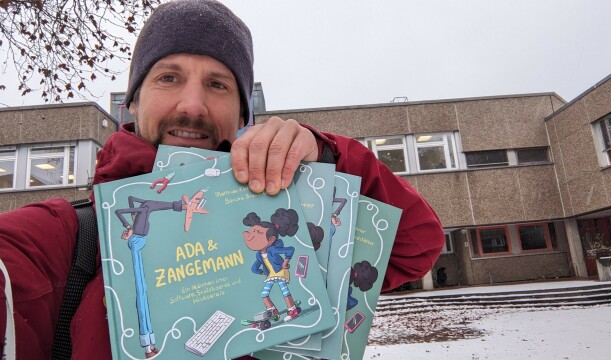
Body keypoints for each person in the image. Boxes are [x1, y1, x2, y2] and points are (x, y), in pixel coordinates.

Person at [0, 0, 444, 358]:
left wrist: (328, 163)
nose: (192, 105)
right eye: (168, 77)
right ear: (131, 105)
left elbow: (415, 245)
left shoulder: (287, 205)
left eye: (217, 85)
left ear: (241, 115)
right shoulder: (63, 239)